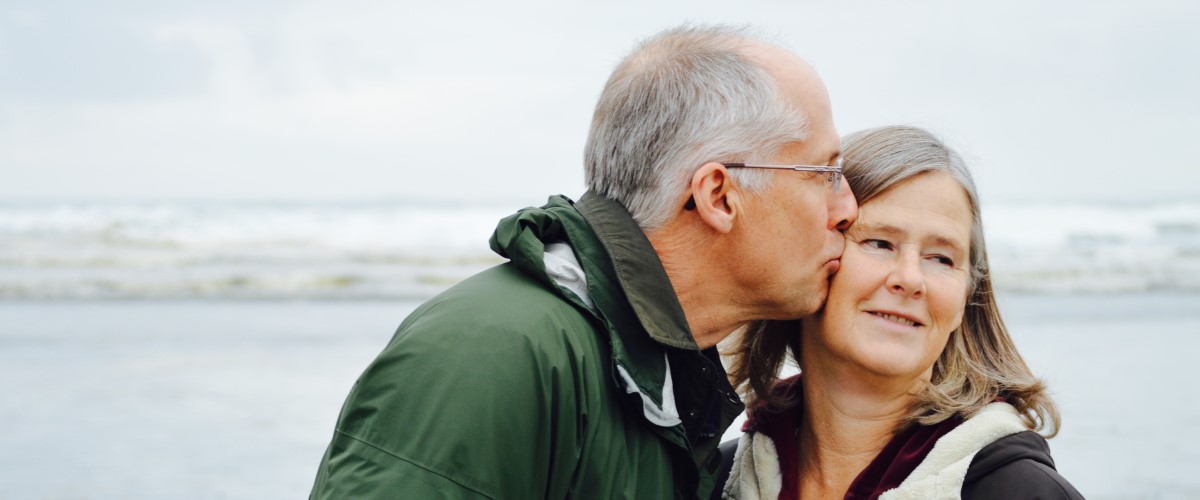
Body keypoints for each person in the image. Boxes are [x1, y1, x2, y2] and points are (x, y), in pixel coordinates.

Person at [309, 25, 858, 499]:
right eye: (825, 174)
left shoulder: (659, 373)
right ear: (718, 195)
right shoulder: (494, 355)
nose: (847, 209)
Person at [717, 125, 1083, 499]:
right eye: (880, 243)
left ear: (965, 300)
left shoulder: (1024, 492)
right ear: (813, 258)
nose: (910, 279)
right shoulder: (715, 481)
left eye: (941, 258)